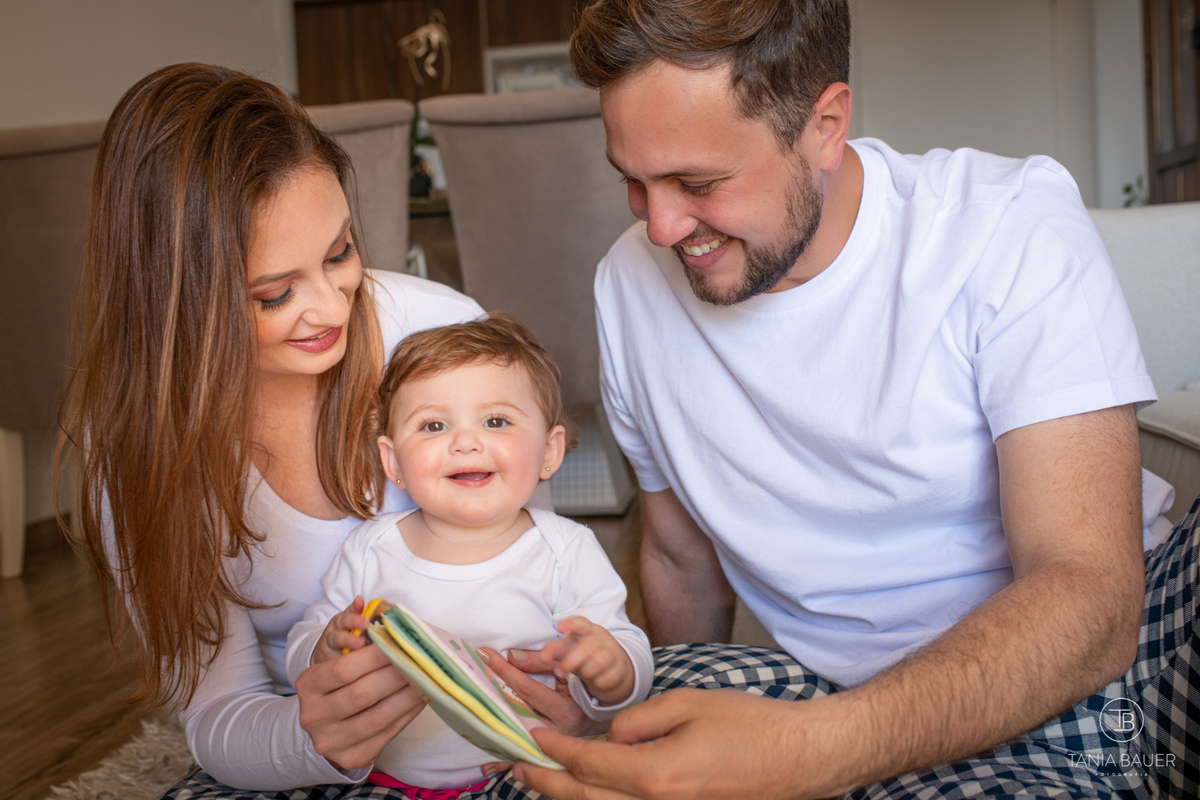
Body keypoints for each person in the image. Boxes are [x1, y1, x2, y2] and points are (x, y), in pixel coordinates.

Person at [487, 1, 1200, 798]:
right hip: (834, 693)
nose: (660, 228)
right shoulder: (628, 285)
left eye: (698, 183)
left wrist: (807, 753)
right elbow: (681, 553)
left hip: (1116, 659)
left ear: (826, 125)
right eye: (634, 182)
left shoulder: (1007, 226)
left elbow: (1090, 593)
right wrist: (649, 729)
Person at [58, 63, 490, 796]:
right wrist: (315, 737)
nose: (328, 308)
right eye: (274, 293)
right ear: (177, 306)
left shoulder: (446, 334)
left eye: (339, 253)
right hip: (301, 732)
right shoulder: (135, 450)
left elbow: (547, 580)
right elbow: (221, 710)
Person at [285, 313, 653, 794]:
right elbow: (302, 649)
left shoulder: (564, 549)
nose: (464, 441)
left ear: (549, 451)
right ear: (393, 462)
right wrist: (323, 646)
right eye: (433, 425)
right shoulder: (371, 547)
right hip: (387, 781)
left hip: (527, 772)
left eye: (496, 421)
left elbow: (630, 654)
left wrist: (612, 671)